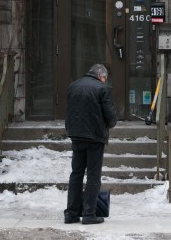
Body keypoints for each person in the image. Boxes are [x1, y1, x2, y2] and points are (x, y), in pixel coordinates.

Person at [63, 64, 117, 225]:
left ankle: (71, 213)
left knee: (76, 174)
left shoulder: (73, 86)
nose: (104, 80)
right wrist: (110, 122)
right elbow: (111, 117)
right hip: (95, 137)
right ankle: (89, 214)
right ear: (101, 75)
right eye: (104, 77)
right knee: (93, 176)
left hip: (76, 135)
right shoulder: (102, 88)